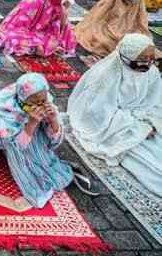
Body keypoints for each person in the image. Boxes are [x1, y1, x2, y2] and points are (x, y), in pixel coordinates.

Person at [0, 73, 73, 209]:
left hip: (28, 136)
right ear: (23, 101)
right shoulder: (1, 117)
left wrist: (53, 121)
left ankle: (39, 161)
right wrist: (30, 125)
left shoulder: (46, 103)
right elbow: (15, 146)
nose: (41, 104)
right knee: (22, 155)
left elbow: (53, 142)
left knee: (44, 156)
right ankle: (32, 183)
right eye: (35, 101)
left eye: (43, 99)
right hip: (11, 140)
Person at [68, 33, 162, 197]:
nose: (148, 63)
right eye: (143, 58)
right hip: (113, 129)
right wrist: (137, 127)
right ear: (127, 57)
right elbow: (94, 116)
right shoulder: (104, 76)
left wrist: (150, 122)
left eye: (151, 58)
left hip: (142, 121)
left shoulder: (151, 72)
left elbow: (155, 102)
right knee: (152, 166)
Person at [0, 0, 76, 57]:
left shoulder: (58, 6)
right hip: (23, 31)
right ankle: (37, 47)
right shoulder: (34, 2)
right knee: (12, 38)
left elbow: (60, 28)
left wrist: (64, 12)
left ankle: (39, 47)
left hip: (41, 32)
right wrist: (37, 42)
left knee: (68, 31)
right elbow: (17, 26)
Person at [75, 0, 151, 56]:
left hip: (130, 29)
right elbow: (97, 19)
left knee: (141, 43)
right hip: (107, 28)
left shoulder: (139, 1)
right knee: (104, 41)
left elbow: (142, 22)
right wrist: (115, 31)